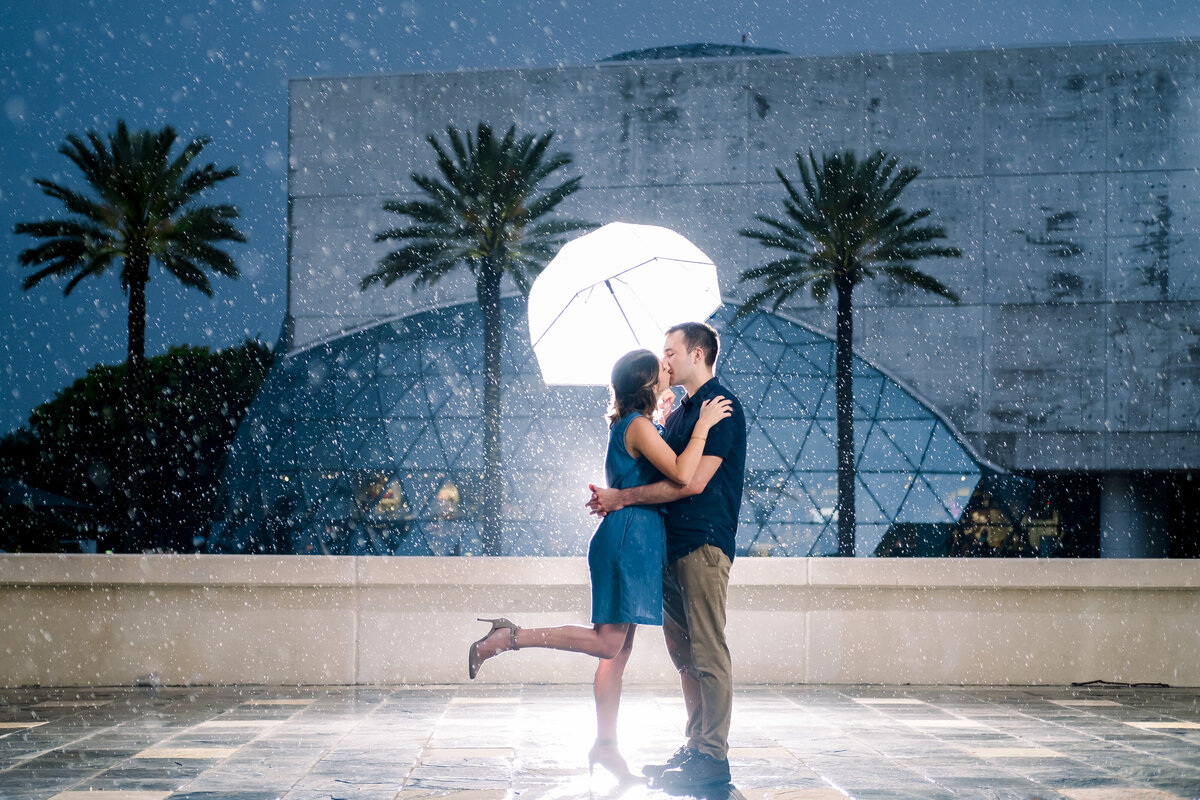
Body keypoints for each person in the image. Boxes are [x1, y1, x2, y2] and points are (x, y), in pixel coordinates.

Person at [467, 348, 732, 782]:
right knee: (609, 644)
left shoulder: (640, 424)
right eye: (661, 367)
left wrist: (663, 418)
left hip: (634, 538)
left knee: (618, 652)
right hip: (629, 539)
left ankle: (606, 746)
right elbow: (684, 474)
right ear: (647, 384)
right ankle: (509, 636)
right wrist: (702, 424)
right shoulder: (640, 426)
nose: (669, 368)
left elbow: (647, 467)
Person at [587, 321, 747, 790]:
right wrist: (665, 417)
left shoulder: (721, 409)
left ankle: (713, 758)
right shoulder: (679, 414)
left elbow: (691, 482)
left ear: (698, 354)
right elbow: (657, 460)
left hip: (703, 541)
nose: (665, 362)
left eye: (671, 352)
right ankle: (696, 746)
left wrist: (622, 498)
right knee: (685, 656)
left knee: (708, 651)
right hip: (670, 549)